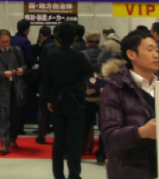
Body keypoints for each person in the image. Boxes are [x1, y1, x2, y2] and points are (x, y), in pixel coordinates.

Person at [100, 33, 159, 179]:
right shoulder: (116, 88)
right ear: (132, 55)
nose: (156, 55)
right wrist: (141, 132)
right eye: (150, 50)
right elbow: (110, 136)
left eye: (157, 50)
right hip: (129, 170)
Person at [42, 22, 94, 179]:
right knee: (75, 140)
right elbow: (89, 73)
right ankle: (74, 174)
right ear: (74, 38)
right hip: (76, 101)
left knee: (58, 139)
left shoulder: (51, 55)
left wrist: (49, 100)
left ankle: (58, 174)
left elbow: (46, 80)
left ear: (58, 39)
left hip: (58, 100)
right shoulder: (79, 56)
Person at [0, 29, 27, 155]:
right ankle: (4, 144)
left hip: (15, 88)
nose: (6, 44)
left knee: (15, 117)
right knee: (3, 118)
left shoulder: (17, 51)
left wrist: (22, 70)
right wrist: (3, 74)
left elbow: (24, 65)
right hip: (2, 89)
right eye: (3, 42)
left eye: (8, 42)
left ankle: (13, 139)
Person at [81, 31, 110, 164]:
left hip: (86, 94)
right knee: (104, 125)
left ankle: (79, 150)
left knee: (84, 124)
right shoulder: (107, 56)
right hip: (104, 95)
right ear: (99, 42)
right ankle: (102, 154)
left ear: (87, 41)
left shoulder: (81, 55)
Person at [36, 25, 56, 144]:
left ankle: (41, 135)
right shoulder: (69, 48)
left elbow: (42, 66)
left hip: (46, 83)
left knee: (43, 109)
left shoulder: (46, 46)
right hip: (60, 83)